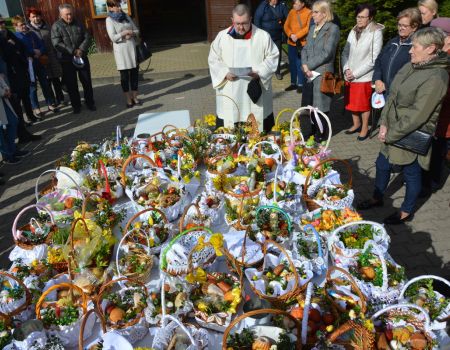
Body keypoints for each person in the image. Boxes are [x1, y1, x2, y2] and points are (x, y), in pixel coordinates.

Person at [357, 27, 449, 225]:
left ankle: (406, 210)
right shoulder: (412, 65)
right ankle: (377, 197)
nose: (410, 50)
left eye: (415, 46)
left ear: (431, 48)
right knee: (382, 164)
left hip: (410, 134)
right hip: (391, 129)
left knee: (411, 174)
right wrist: (383, 124)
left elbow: (418, 115)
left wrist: (390, 133)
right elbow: (392, 96)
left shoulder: (437, 77)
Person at [208, 4, 279, 132]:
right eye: (237, 23)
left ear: (251, 19)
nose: (241, 27)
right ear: (232, 20)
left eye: (244, 23)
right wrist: (224, 73)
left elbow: (273, 56)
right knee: (231, 128)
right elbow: (213, 59)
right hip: (230, 88)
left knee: (258, 128)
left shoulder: (262, 36)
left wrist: (259, 72)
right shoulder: (222, 37)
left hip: (254, 88)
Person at [342, 4, 383, 141]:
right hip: (350, 73)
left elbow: (374, 58)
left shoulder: (375, 32)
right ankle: (356, 124)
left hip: (364, 76)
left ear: (370, 18)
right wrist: (346, 69)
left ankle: (365, 127)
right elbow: (345, 52)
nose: (358, 20)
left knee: (363, 104)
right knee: (352, 102)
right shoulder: (353, 30)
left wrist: (356, 73)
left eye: (362, 17)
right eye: (357, 16)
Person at [301, 0, 339, 141]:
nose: (313, 15)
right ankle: (310, 130)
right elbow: (305, 48)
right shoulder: (313, 28)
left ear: (324, 14)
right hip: (309, 72)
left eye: (316, 12)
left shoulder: (332, 29)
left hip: (323, 73)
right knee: (309, 104)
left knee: (321, 106)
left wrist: (308, 66)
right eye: (313, 12)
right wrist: (304, 66)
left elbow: (327, 53)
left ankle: (322, 134)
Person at [0, 15, 41, 143]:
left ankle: (23, 134)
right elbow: (6, 54)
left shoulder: (8, 34)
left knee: (19, 105)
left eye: (2, 21)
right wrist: (12, 47)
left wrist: (15, 48)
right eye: (0, 22)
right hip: (7, 78)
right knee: (13, 109)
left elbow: (21, 47)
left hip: (18, 73)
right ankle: (16, 140)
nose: (2, 24)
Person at [422, 18, 450, 195]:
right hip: (433, 113)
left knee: (438, 149)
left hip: (444, 115)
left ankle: (431, 182)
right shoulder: (439, 54)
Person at [51, 3, 96, 114]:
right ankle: (76, 105)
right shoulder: (56, 26)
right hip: (67, 59)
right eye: (66, 14)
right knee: (72, 84)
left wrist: (81, 49)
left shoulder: (79, 23)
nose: (69, 17)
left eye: (70, 14)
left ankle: (90, 102)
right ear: (60, 14)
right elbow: (57, 43)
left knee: (86, 82)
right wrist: (72, 51)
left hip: (82, 56)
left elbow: (87, 37)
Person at [12, 15, 58, 119]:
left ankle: (50, 104)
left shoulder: (32, 34)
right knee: (32, 88)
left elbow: (41, 44)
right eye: (21, 25)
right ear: (16, 26)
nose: (24, 26)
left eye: (24, 24)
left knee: (45, 84)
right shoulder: (16, 37)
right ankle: (36, 108)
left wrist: (40, 51)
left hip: (39, 62)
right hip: (28, 66)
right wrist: (33, 52)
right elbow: (21, 50)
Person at [373, 8, 421, 97]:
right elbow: (378, 61)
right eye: (399, 25)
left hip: (401, 95)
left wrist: (389, 86)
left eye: (405, 26)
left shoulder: (417, 46)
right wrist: (377, 79)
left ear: (414, 27)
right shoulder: (392, 42)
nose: (401, 28)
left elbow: (413, 73)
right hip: (382, 92)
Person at [105, 0, 141, 108]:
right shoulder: (109, 20)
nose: (119, 8)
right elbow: (112, 37)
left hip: (131, 49)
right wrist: (124, 33)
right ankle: (128, 99)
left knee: (134, 74)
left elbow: (137, 30)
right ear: (110, 8)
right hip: (121, 52)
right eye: (116, 6)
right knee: (124, 77)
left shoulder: (125, 16)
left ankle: (135, 97)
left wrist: (131, 33)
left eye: (119, 5)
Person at [27, 7, 65, 106]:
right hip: (39, 58)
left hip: (52, 56)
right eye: (33, 17)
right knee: (46, 82)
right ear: (29, 18)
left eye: (38, 16)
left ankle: (60, 98)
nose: (36, 18)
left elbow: (54, 40)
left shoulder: (47, 26)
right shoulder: (28, 30)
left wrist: (58, 54)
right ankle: (51, 101)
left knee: (56, 79)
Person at [0, 57, 30, 164]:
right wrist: (3, 92)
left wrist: (5, 88)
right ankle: (7, 156)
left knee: (13, 121)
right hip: (2, 96)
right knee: (1, 131)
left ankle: (12, 150)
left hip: (4, 98)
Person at [254, 0, 288, 80]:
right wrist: (259, 35)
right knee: (264, 54)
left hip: (277, 35)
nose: (275, 0)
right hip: (265, 36)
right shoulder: (263, 6)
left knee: (277, 54)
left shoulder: (282, 5)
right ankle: (263, 70)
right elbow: (257, 20)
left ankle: (277, 71)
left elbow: (288, 17)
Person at [283, 0, 311, 93]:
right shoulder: (291, 12)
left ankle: (301, 84)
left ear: (302, 4)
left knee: (300, 64)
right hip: (291, 42)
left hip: (302, 43)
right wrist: (291, 35)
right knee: (292, 63)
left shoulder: (309, 12)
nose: (294, 5)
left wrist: (297, 36)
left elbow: (308, 27)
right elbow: (286, 25)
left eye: (296, 3)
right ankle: (293, 83)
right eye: (293, 3)